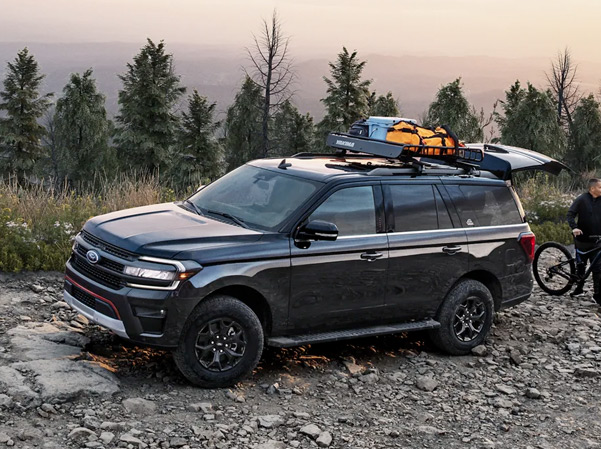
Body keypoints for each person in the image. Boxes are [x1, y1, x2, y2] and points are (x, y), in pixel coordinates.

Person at [566, 178, 601, 304]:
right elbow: (570, 214)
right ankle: (579, 288)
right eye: (600, 187)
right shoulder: (582, 199)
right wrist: (574, 228)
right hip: (582, 240)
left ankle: (597, 295)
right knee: (581, 266)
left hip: (597, 240)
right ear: (592, 189)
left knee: (597, 268)